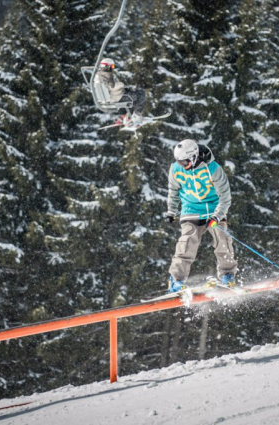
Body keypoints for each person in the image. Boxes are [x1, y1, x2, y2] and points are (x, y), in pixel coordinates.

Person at [165, 139, 238, 293]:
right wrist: (171, 211)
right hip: (190, 210)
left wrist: (217, 216)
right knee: (187, 241)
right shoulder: (176, 169)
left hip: (213, 209)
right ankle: (176, 280)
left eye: (184, 162)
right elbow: (173, 190)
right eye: (179, 161)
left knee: (222, 238)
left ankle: (227, 275)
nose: (182, 165)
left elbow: (225, 196)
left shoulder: (213, 169)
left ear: (193, 156)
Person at [94, 58, 147, 124]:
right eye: (112, 66)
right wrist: (122, 85)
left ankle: (124, 116)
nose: (113, 68)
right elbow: (112, 87)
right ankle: (136, 116)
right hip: (116, 98)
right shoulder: (107, 75)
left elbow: (108, 87)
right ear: (107, 66)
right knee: (141, 94)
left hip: (111, 98)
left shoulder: (98, 75)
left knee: (132, 97)